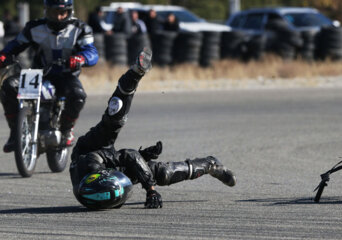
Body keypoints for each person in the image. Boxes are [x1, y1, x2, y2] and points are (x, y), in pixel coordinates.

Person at [69, 48, 236, 210]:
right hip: (108, 166)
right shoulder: (89, 196)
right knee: (163, 173)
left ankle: (135, 73)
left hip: (92, 148)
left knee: (114, 119)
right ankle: (211, 164)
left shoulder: (90, 162)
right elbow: (127, 164)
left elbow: (128, 155)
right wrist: (143, 160)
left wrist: (150, 189)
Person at [0, 0, 98, 153]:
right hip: (38, 74)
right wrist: (4, 55)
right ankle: (15, 132)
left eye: (62, 13)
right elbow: (16, 44)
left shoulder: (81, 29)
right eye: (54, 13)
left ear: (69, 12)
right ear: (47, 12)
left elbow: (91, 52)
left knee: (78, 95)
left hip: (67, 75)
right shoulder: (33, 27)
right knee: (8, 86)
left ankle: (66, 130)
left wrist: (81, 59)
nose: (58, 17)